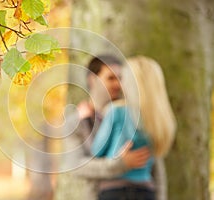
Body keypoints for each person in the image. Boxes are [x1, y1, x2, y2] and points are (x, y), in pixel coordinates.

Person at [54, 55, 152, 200]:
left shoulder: (134, 115)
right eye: (111, 78)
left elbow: (154, 164)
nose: (117, 84)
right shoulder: (75, 123)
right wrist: (120, 165)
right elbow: (76, 165)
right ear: (92, 80)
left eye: (120, 78)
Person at [91, 56, 176, 200]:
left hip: (114, 189)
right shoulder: (160, 120)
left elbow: (96, 151)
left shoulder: (116, 111)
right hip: (145, 190)